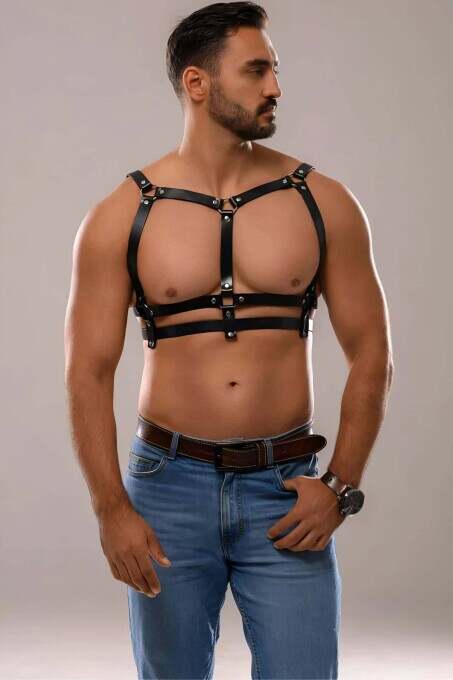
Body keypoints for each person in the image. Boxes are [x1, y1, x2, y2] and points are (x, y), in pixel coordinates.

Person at [64, 2, 394, 678]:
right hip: (166, 488)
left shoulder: (322, 201)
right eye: (256, 70)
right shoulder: (121, 216)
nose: (275, 87)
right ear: (198, 82)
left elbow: (372, 354)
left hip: (284, 487)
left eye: (275, 69)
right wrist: (111, 510)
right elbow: (87, 373)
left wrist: (340, 486)